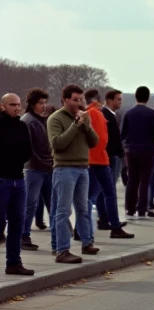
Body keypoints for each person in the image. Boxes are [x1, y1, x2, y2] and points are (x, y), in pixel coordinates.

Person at [47, 84, 100, 263]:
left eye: (81, 100)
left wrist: (85, 125)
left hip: (83, 168)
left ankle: (87, 242)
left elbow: (94, 142)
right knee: (63, 211)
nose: (79, 103)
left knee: (83, 208)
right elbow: (58, 144)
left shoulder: (83, 117)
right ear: (65, 100)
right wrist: (75, 125)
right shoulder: (56, 119)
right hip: (64, 168)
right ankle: (62, 249)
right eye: (75, 100)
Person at [85, 89, 134, 240]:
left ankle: (104, 223)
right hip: (102, 158)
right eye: (118, 99)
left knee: (95, 194)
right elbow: (103, 138)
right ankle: (112, 225)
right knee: (104, 193)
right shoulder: (97, 113)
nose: (121, 102)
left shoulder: (91, 113)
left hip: (98, 158)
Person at [1, 92, 34, 276]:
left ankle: (13, 262)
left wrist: (18, 156)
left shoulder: (21, 126)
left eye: (18, 104)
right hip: (2, 178)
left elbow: (27, 150)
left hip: (18, 179)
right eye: (12, 104)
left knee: (17, 222)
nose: (17, 108)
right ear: (3, 106)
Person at [121, 85, 154, 220]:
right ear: (148, 97)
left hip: (131, 150)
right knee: (145, 180)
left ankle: (130, 208)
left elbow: (123, 133)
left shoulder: (128, 113)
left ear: (136, 96)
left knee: (132, 179)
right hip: (148, 150)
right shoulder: (152, 114)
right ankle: (142, 208)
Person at [20, 88, 50, 252]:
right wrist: (46, 162)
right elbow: (30, 149)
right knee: (30, 204)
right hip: (34, 169)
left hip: (46, 168)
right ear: (32, 104)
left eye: (45, 103)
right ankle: (23, 236)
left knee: (53, 204)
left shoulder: (40, 119)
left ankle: (60, 239)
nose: (43, 106)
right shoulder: (28, 120)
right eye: (40, 103)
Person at [96, 88, 125, 229]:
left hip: (112, 155)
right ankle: (105, 217)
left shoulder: (111, 115)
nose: (120, 102)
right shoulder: (105, 115)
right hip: (109, 156)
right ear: (109, 100)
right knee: (107, 189)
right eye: (118, 99)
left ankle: (107, 217)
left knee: (107, 189)